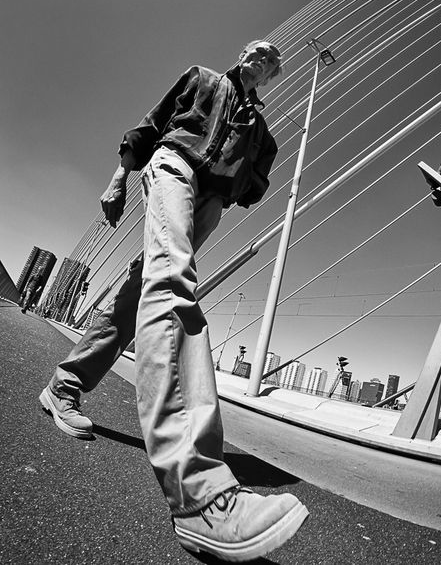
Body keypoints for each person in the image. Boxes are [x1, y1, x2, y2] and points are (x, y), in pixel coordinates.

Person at [39, 40, 309, 562]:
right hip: (173, 167)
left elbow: (256, 187)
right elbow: (152, 122)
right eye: (256, 47)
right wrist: (120, 175)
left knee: (139, 292)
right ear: (243, 54)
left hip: (210, 200)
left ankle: (63, 386)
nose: (262, 54)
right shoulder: (203, 78)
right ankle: (200, 493)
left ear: (274, 74)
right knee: (174, 279)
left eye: (271, 56)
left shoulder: (264, 134)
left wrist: (233, 184)